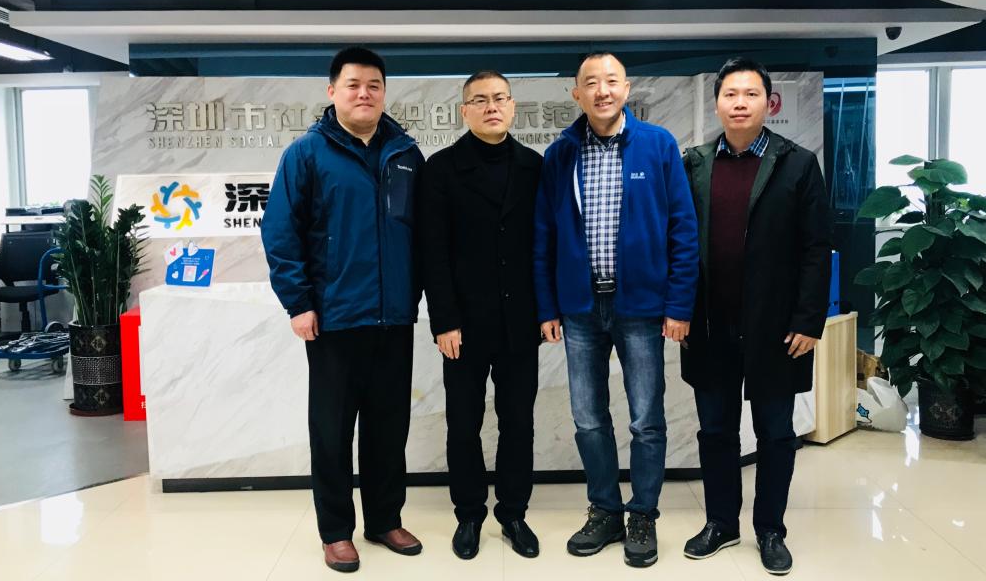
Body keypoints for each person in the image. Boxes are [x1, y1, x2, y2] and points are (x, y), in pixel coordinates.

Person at [261, 46, 425, 574]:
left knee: (388, 428)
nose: (364, 94)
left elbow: (421, 234)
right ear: (332, 91)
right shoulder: (307, 154)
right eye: (353, 84)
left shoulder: (406, 154)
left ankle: (385, 519)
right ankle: (335, 532)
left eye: (374, 85)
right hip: (334, 319)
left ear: (384, 93)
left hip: (394, 317)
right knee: (332, 432)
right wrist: (299, 303)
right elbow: (281, 233)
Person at [533, 52, 699, 568]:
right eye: (591, 83)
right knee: (588, 418)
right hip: (580, 309)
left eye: (611, 81)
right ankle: (604, 510)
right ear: (576, 95)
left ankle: (642, 513)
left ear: (626, 89)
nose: (602, 91)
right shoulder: (560, 154)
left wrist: (678, 304)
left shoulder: (658, 145)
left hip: (642, 309)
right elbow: (543, 236)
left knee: (647, 419)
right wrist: (547, 306)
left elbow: (683, 229)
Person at [680, 57, 831, 576]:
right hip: (709, 324)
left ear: (770, 102)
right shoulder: (695, 163)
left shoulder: (798, 164)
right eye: (730, 94)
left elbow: (816, 248)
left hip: (777, 327)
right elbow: (680, 243)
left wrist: (809, 320)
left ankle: (770, 529)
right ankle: (722, 523)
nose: (739, 103)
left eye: (750, 94)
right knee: (715, 431)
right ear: (717, 104)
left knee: (775, 433)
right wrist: (678, 311)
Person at [418, 70, 544, 560]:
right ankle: (469, 514)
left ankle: (513, 513)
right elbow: (433, 252)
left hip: (521, 321)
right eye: (480, 100)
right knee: (463, 423)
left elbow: (544, 245)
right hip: (463, 325)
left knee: (519, 423)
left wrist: (547, 311)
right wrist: (444, 320)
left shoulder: (534, 166)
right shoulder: (441, 169)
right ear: (464, 110)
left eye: (500, 98)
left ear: (512, 106)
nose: (492, 107)